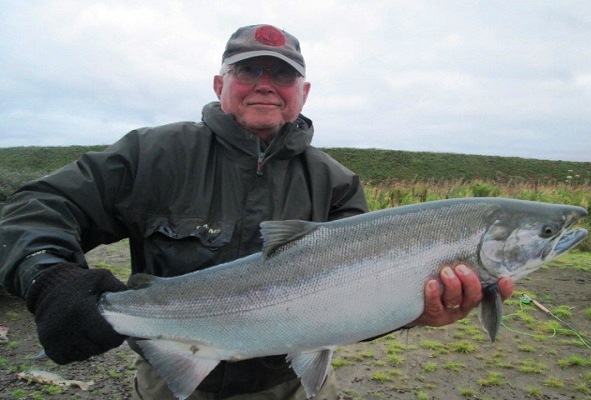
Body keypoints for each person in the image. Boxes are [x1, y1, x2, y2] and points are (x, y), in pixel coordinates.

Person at [0, 24, 513, 399]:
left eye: (282, 75)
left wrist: (415, 310)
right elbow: (37, 207)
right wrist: (47, 276)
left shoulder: (336, 183)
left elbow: (359, 305)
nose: (265, 83)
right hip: (170, 376)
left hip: (288, 385)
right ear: (219, 83)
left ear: (303, 93)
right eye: (248, 70)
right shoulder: (150, 155)